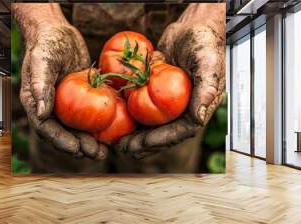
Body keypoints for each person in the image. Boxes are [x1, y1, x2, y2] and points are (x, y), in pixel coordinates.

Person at [12, 3, 225, 173]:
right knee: (63, 170)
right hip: (61, 22)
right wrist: (41, 20)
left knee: (160, 170)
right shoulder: (148, 78)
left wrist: (209, 15)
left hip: (179, 30)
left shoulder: (149, 84)